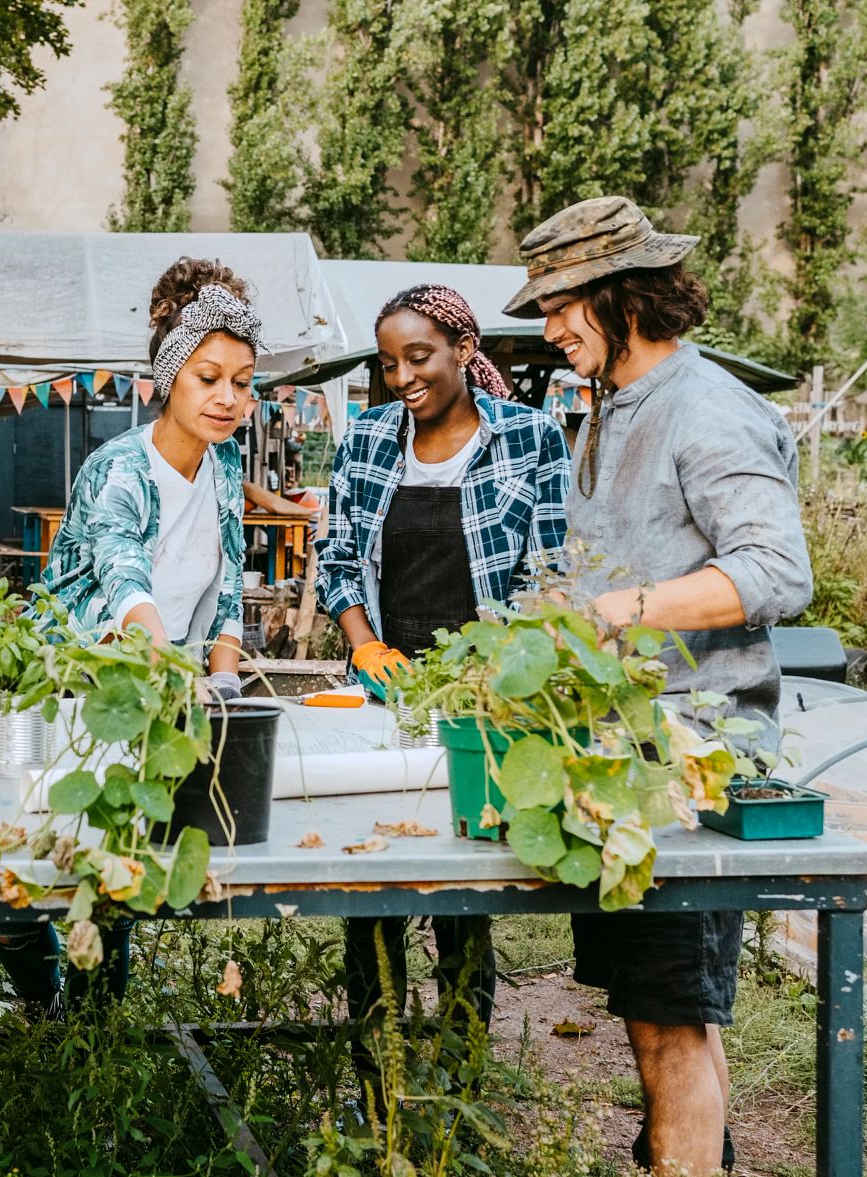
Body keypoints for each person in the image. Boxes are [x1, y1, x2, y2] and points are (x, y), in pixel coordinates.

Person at [502, 195, 813, 1174]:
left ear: (618, 296)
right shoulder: (606, 411)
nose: (547, 328)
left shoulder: (705, 407)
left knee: (671, 1025)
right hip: (622, 765)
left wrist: (618, 610)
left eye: (558, 305)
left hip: (694, 766)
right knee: (654, 1016)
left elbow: (776, 571)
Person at [314, 284, 570, 1106]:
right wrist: (365, 645)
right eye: (389, 364)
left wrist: (498, 671)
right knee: (374, 882)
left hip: (485, 696)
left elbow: (552, 572)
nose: (403, 378)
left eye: (418, 357)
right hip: (388, 692)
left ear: (463, 348)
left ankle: (461, 1071)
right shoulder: (368, 439)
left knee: (466, 889)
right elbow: (339, 558)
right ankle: (377, 1080)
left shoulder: (529, 439)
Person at [0, 257, 262, 1015]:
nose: (227, 398)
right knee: (13, 865)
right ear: (168, 378)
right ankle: (42, 998)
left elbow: (233, 575)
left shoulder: (225, 463)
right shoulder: (120, 468)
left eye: (241, 381)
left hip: (143, 694)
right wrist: (167, 663)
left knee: (112, 858)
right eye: (208, 377)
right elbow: (124, 576)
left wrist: (226, 670)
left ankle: (92, 1031)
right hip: (57, 685)